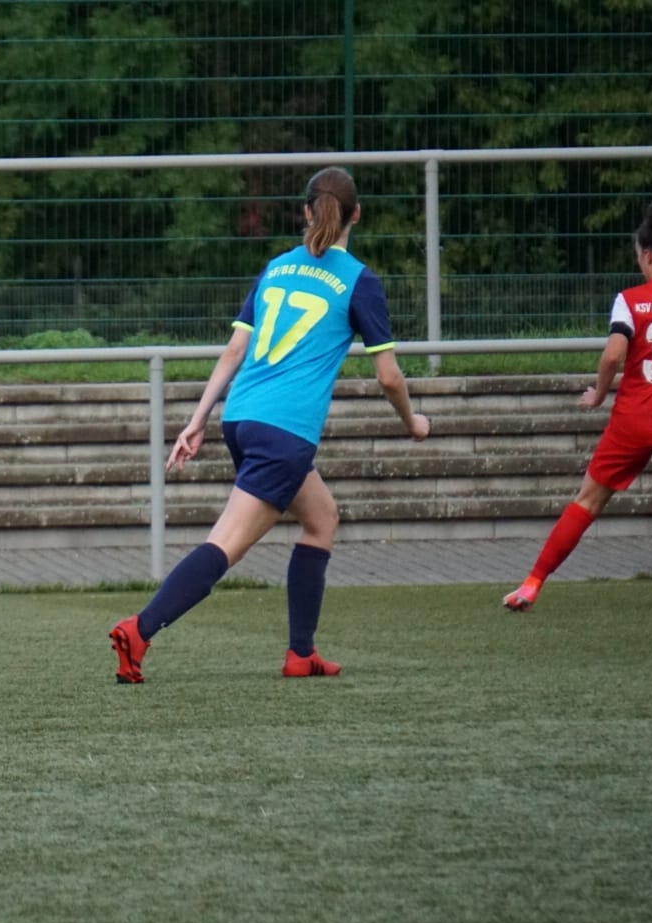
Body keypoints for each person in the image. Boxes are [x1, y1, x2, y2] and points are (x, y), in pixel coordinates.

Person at [108, 166, 431, 684]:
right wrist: (413, 422)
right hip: (285, 433)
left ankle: (301, 654)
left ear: (306, 211)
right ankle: (140, 630)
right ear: (357, 214)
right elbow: (389, 377)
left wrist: (197, 421)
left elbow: (235, 350)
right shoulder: (359, 281)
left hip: (241, 418)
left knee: (321, 517)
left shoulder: (277, 267)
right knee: (226, 545)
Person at [503, 199, 652, 613]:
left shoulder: (630, 300)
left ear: (647, 254)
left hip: (635, 419)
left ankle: (532, 584)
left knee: (588, 500)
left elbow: (613, 355)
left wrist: (598, 392)